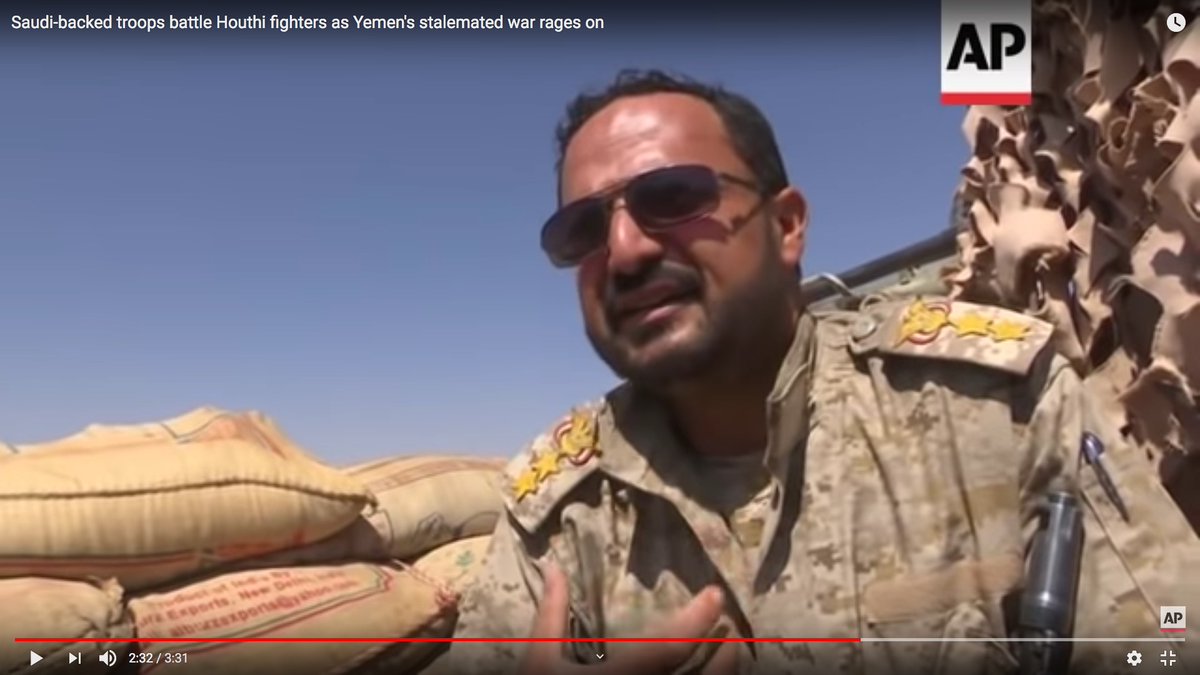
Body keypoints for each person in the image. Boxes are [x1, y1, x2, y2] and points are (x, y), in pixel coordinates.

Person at [433, 70, 1200, 675]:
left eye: (671, 197)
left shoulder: (1001, 403)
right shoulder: (560, 513)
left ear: (787, 224)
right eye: (585, 228)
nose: (626, 249)